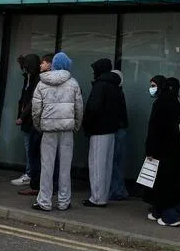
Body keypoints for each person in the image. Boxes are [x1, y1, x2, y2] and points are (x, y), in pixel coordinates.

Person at [32, 52, 83, 212]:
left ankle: (44, 202)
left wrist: (39, 125)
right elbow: (79, 108)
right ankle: (64, 202)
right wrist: (76, 126)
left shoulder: (42, 83)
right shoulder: (73, 83)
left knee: (47, 166)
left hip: (48, 129)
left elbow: (36, 109)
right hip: (67, 129)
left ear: (53, 64)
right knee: (65, 167)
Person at [82, 58, 127, 207]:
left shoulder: (100, 85)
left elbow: (93, 108)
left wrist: (87, 126)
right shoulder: (115, 86)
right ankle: (103, 196)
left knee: (96, 165)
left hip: (98, 129)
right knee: (106, 165)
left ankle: (96, 198)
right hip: (111, 130)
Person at [144, 75, 180, 226]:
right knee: (168, 181)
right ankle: (159, 211)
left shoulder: (160, 103)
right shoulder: (174, 101)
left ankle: (169, 217)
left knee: (163, 183)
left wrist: (149, 149)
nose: (151, 89)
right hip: (175, 148)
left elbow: (154, 129)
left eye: (153, 85)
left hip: (162, 149)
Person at [13, 54, 42, 193]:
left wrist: (22, 116)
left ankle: (30, 174)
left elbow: (32, 101)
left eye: (25, 66)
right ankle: (30, 173)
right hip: (27, 117)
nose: (24, 69)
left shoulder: (37, 79)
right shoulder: (29, 78)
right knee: (29, 147)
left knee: (31, 148)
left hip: (31, 118)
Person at [108, 68, 130, 201]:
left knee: (113, 162)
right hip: (120, 129)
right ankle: (119, 189)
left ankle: (117, 190)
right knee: (117, 162)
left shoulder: (114, 93)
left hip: (116, 129)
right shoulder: (119, 92)